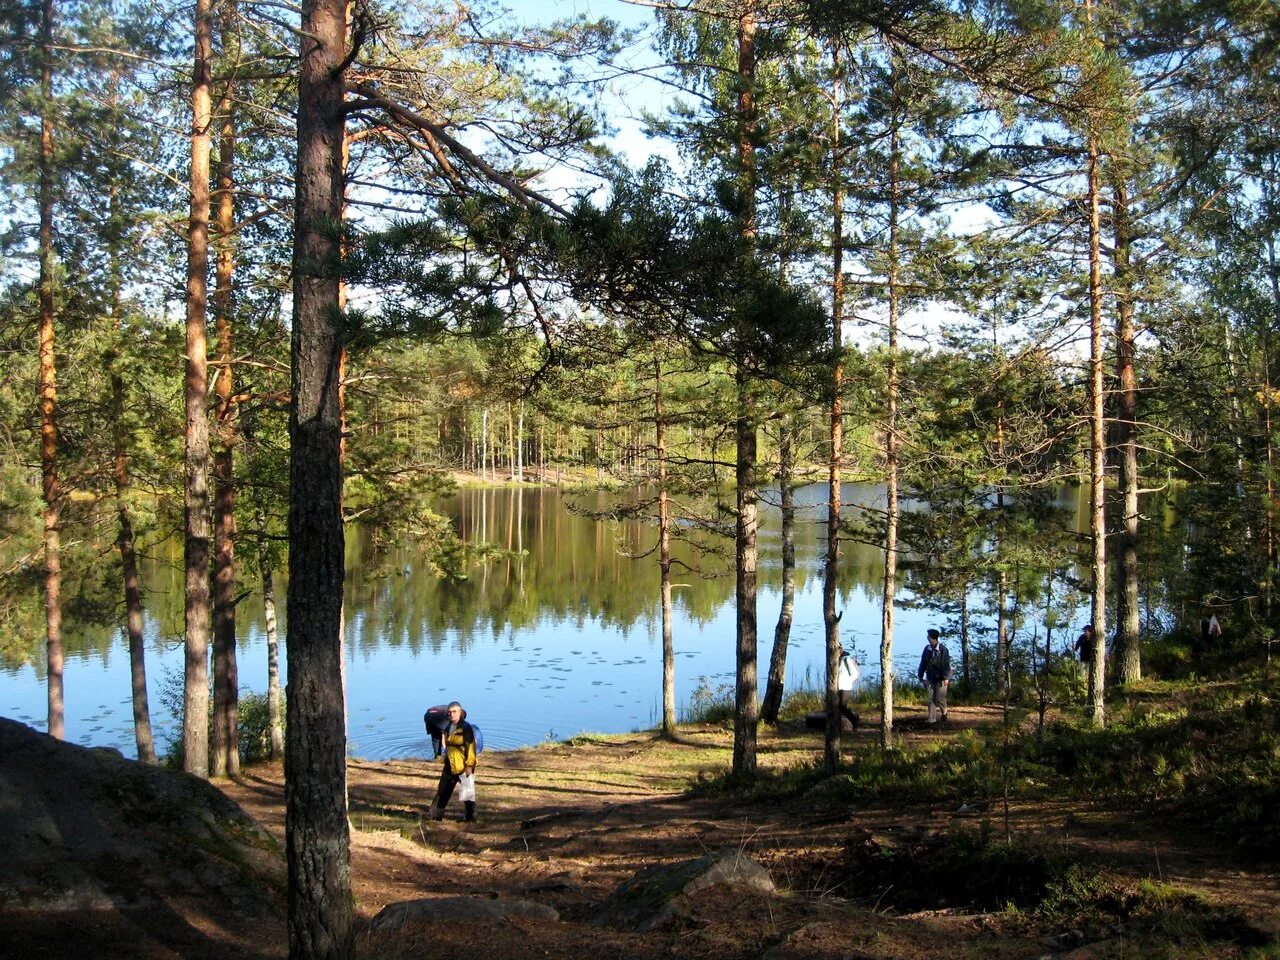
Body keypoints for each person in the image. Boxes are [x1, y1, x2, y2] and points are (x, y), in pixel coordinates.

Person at [429, 701, 478, 822]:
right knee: (442, 791)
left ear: (460, 713)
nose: (451, 714)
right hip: (449, 765)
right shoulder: (448, 727)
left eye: (454, 711)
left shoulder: (465, 729)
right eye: (449, 712)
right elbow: (447, 746)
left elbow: (471, 748)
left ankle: (470, 817)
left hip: (463, 766)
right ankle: (436, 816)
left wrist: (469, 766)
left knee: (467, 793)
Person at [917, 629, 951, 724]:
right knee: (931, 699)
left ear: (933, 638)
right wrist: (920, 675)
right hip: (930, 678)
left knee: (940, 699)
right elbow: (923, 663)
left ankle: (944, 712)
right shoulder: (927, 649)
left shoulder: (943, 649)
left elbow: (946, 664)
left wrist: (946, 678)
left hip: (941, 679)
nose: (927, 637)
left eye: (928, 636)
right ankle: (931, 719)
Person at [837, 648, 861, 731]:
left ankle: (855, 721)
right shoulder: (837, 660)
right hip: (838, 688)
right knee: (837, 707)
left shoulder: (846, 660)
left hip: (845, 687)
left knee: (842, 707)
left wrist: (846, 681)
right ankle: (838, 726)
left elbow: (854, 674)